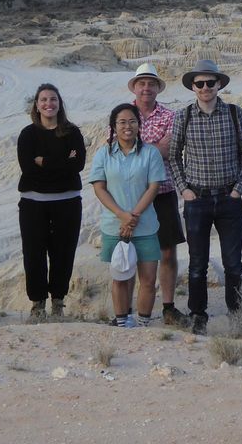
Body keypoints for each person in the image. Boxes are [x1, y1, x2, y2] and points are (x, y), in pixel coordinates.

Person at [167, 59, 242, 336]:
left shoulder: (233, 113)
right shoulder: (184, 116)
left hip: (229, 198)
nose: (205, 88)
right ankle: (198, 315)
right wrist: (184, 190)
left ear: (219, 85)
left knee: (233, 263)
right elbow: (173, 157)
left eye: (210, 83)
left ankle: (237, 314)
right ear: (193, 87)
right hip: (198, 200)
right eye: (200, 83)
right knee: (197, 263)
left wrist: (238, 189)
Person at [89, 103, 164, 327]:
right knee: (120, 277)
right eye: (122, 122)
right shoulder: (104, 153)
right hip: (114, 225)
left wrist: (133, 216)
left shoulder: (150, 152)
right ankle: (122, 323)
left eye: (132, 121)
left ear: (139, 125)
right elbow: (99, 187)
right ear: (113, 126)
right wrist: (122, 215)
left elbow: (154, 187)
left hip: (145, 225)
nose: (127, 126)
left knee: (148, 280)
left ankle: (143, 323)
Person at [16, 83, 86, 318]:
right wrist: (61, 163)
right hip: (33, 203)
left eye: (53, 99)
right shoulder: (28, 134)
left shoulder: (72, 132)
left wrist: (44, 161)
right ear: (36, 104)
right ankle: (38, 304)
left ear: (60, 103)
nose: (49, 104)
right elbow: (27, 167)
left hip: (67, 202)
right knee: (33, 254)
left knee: (63, 253)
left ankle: (58, 302)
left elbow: (77, 165)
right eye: (43, 100)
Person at [127, 63, 186, 326]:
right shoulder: (124, 114)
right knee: (131, 253)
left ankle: (169, 306)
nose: (146, 88)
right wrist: (152, 148)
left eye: (151, 83)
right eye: (142, 83)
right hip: (130, 196)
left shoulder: (169, 116)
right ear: (135, 87)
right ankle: (128, 311)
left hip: (163, 192)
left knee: (167, 252)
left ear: (157, 88)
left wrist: (137, 147)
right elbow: (120, 149)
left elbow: (169, 148)